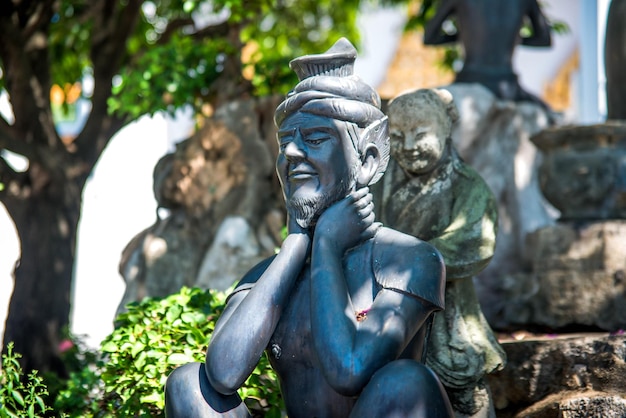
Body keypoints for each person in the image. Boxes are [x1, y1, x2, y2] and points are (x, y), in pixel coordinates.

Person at [164, 38, 454, 418]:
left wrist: (329, 249)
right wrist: (296, 244)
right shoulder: (271, 275)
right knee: (189, 384)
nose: (291, 154)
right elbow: (223, 374)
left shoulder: (411, 260)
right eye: (285, 143)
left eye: (316, 139)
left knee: (406, 382)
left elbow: (349, 371)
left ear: (366, 160)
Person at [378, 88, 506, 417]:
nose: (408, 147)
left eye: (420, 135)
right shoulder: (379, 182)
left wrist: (406, 258)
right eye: (396, 136)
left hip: (448, 318)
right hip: (388, 309)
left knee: (464, 397)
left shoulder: (466, 185)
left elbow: (474, 241)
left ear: (445, 130)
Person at [423, 0, 552, 106]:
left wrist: (465, 36)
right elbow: (544, 39)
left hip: (470, 78)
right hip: (508, 84)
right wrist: (510, 38)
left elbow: (430, 38)